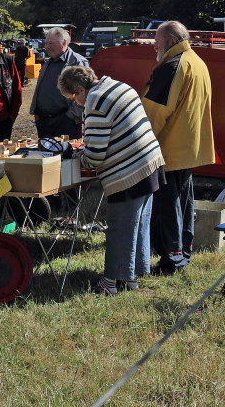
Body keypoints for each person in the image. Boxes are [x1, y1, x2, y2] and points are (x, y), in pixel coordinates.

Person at [59, 65, 164, 294]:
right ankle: (132, 275)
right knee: (139, 223)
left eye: (73, 97)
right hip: (151, 161)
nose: (76, 103)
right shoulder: (117, 85)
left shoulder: (95, 102)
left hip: (130, 170)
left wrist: (79, 156)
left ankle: (111, 283)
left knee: (120, 227)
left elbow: (95, 155)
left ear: (80, 89)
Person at [143, 21, 215, 275]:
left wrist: (140, 140)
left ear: (171, 41)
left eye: (157, 42)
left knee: (168, 205)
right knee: (183, 203)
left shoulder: (173, 66)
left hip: (169, 148)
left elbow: (155, 112)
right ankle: (182, 251)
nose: (154, 46)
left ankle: (171, 260)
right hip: (188, 146)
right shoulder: (197, 61)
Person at [29, 26, 90, 140]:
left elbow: (85, 93)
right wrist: (36, 113)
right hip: (43, 122)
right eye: (46, 43)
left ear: (64, 43)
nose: (47, 47)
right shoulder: (49, 62)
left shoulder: (77, 62)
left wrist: (70, 117)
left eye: (51, 43)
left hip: (65, 123)